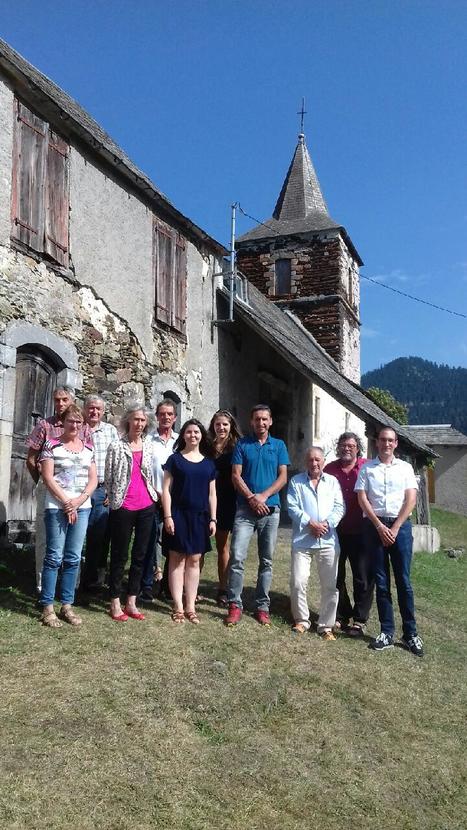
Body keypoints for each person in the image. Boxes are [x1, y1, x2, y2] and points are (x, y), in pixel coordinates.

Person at [355, 426, 424, 656]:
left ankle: (411, 633)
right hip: (374, 527)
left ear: (396, 444)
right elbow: (362, 498)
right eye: (383, 440)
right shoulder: (367, 468)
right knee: (381, 581)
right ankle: (387, 631)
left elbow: (411, 499)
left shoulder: (405, 468)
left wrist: (393, 528)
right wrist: (379, 526)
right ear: (377, 443)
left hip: (400, 527)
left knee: (403, 581)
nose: (386, 443)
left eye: (391, 440)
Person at [225, 404, 289, 627]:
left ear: (270, 421)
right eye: (257, 419)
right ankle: (234, 604)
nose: (260, 423)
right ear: (251, 422)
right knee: (237, 556)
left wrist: (263, 496)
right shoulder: (242, 444)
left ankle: (262, 606)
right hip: (245, 509)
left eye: (264, 419)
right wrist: (252, 498)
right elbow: (235, 475)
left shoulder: (279, 445)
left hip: (271, 511)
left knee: (267, 560)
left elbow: (282, 477)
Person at [39, 404, 97, 627]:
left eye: (79, 422)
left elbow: (93, 479)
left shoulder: (88, 448)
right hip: (57, 507)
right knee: (54, 557)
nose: (75, 425)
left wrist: (79, 501)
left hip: (82, 507)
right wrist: (66, 503)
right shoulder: (51, 445)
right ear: (62, 422)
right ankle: (47, 607)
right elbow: (48, 477)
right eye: (71, 421)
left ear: (83, 425)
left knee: (73, 558)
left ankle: (67, 605)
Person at [26, 386, 84, 593]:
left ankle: (70, 586)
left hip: (76, 492)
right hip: (49, 489)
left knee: (74, 540)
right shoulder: (44, 426)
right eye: (57, 400)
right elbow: (31, 459)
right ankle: (44, 586)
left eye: (64, 399)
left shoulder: (82, 426)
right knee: (46, 539)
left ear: (72, 400)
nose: (60, 404)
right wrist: (42, 482)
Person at [105, 403, 158, 622]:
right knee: (119, 554)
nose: (139, 423)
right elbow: (108, 476)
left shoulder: (149, 446)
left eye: (142, 420)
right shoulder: (116, 446)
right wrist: (112, 497)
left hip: (146, 504)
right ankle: (115, 600)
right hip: (123, 505)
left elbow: (151, 473)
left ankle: (132, 600)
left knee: (140, 555)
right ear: (128, 420)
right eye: (135, 419)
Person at [161, 419, 217, 624]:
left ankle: (191, 606)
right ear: (183, 435)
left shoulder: (209, 463)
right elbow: (166, 490)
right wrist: (167, 516)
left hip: (200, 517)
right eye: (189, 432)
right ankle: (178, 606)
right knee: (177, 559)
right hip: (178, 515)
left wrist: (213, 518)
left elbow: (212, 494)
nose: (193, 435)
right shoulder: (174, 460)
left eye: (196, 432)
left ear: (202, 435)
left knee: (194, 560)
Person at [287, 447, 345, 639]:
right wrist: (310, 523)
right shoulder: (296, 482)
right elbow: (292, 507)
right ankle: (302, 620)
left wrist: (326, 524)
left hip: (327, 541)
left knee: (329, 586)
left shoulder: (333, 482)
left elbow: (339, 507)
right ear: (306, 461)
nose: (314, 463)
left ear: (323, 461)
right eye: (311, 460)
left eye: (318, 460)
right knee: (298, 581)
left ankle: (326, 626)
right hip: (303, 540)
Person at [324, 432, 373, 636]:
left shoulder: (367, 467)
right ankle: (342, 614)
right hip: (336, 531)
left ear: (357, 448)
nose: (347, 448)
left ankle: (359, 620)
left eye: (351, 445)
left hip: (361, 531)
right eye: (343, 445)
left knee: (362, 576)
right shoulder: (330, 469)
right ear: (338, 447)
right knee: (336, 574)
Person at [139, 399, 179, 602]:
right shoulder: (148, 440)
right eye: (162, 414)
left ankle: (168, 587)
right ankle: (146, 586)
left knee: (173, 546)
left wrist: (170, 496)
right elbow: (143, 470)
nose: (165, 417)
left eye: (169, 414)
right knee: (148, 543)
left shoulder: (180, 442)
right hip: (152, 498)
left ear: (175, 417)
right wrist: (157, 492)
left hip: (175, 502)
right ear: (157, 416)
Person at [80, 395, 118, 592]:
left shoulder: (110, 431)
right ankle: (79, 576)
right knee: (78, 533)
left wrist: (112, 491)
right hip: (80, 488)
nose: (94, 412)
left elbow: (117, 461)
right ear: (85, 409)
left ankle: (93, 577)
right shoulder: (78, 428)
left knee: (99, 533)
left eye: (98, 409)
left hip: (102, 489)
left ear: (103, 412)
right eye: (91, 408)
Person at [207, 409, 242, 607]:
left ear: (231, 427)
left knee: (223, 546)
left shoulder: (236, 448)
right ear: (213, 425)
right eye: (218, 424)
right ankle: (192, 587)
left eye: (225, 425)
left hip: (227, 500)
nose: (221, 428)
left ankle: (223, 587)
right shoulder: (206, 447)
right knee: (199, 547)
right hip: (205, 499)